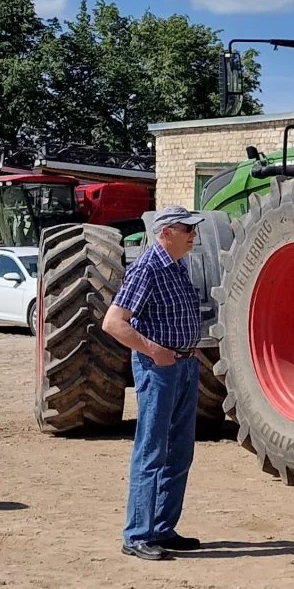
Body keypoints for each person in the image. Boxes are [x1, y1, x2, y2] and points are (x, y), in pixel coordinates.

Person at [102, 205, 204, 561]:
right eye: (186, 227)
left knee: (180, 451)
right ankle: (137, 534)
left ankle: (162, 528)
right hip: (159, 369)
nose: (193, 233)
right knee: (152, 451)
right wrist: (153, 350)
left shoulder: (177, 266)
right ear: (165, 232)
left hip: (185, 366)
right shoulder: (147, 268)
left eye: (193, 227)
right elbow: (113, 323)